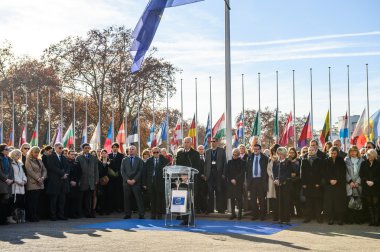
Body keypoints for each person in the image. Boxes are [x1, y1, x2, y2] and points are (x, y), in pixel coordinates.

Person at [175, 137, 202, 225]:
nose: (186, 144)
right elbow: (177, 166)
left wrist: (189, 175)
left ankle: (191, 219)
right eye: (185, 142)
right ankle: (185, 219)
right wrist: (181, 176)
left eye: (187, 142)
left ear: (191, 144)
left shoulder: (195, 153)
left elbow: (197, 167)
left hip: (192, 180)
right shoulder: (179, 153)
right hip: (182, 180)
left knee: (191, 200)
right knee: (184, 200)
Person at [143, 147, 169, 219]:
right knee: (152, 199)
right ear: (152, 153)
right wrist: (144, 183)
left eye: (157, 152)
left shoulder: (164, 160)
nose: (156, 154)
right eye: (154, 152)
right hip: (151, 182)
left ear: (159, 152)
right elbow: (145, 172)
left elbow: (167, 171)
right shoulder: (149, 160)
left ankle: (159, 214)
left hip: (160, 182)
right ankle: (153, 214)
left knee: (159, 199)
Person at [324, 146, 347, 225]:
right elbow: (324, 173)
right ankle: (331, 219)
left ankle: (340, 219)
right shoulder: (326, 161)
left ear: (337, 153)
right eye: (332, 153)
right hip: (329, 185)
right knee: (330, 203)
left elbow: (343, 172)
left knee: (339, 202)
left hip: (339, 185)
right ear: (329, 153)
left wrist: (337, 180)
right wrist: (329, 180)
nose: (333, 155)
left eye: (335, 153)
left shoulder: (341, 161)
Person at [204, 137, 227, 214]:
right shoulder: (207, 151)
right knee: (210, 192)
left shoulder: (221, 151)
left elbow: (225, 163)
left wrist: (224, 173)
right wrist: (205, 174)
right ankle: (210, 209)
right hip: (210, 174)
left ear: (217, 142)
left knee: (219, 191)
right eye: (211, 141)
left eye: (214, 141)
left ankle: (220, 209)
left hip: (218, 174)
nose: (212, 143)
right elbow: (205, 164)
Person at [301, 146, 324, 223]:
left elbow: (321, 173)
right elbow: (302, 173)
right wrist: (303, 183)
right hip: (307, 185)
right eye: (309, 150)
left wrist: (319, 183)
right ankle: (307, 218)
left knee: (317, 203)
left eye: (312, 150)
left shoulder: (319, 161)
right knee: (308, 203)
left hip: (316, 185)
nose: (311, 151)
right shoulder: (304, 160)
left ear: (315, 151)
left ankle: (319, 218)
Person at [121, 145, 144, 219]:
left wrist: (134, 180)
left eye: (132, 149)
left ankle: (141, 214)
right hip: (126, 182)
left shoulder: (139, 160)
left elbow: (140, 171)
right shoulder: (124, 160)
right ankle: (127, 214)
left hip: (136, 182)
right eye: (130, 149)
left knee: (138, 198)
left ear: (136, 151)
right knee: (126, 199)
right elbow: (122, 171)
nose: (131, 150)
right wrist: (127, 180)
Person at [25, 146, 47, 222]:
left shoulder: (39, 160)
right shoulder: (28, 160)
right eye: (35, 152)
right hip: (32, 183)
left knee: (38, 201)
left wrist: (43, 178)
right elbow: (29, 171)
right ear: (31, 152)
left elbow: (44, 170)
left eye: (38, 152)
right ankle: (32, 216)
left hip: (40, 183)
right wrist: (38, 178)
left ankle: (36, 215)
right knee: (32, 201)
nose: (37, 154)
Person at [77, 143, 99, 218]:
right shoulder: (79, 158)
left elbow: (96, 170)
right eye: (85, 148)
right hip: (82, 181)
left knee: (89, 198)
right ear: (82, 149)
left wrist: (96, 179)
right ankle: (79, 213)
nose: (87, 149)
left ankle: (88, 212)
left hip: (91, 181)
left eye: (88, 148)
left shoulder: (93, 158)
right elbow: (77, 170)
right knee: (80, 198)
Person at [247, 144, 269, 221]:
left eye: (257, 149)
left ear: (260, 150)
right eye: (254, 149)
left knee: (262, 199)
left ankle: (262, 215)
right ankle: (255, 215)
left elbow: (267, 171)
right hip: (252, 181)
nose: (255, 150)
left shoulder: (265, 158)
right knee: (253, 199)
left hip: (261, 181)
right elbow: (248, 170)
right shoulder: (250, 158)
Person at [359, 149, 380, 226]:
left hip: (376, 186)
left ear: (374, 155)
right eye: (367, 155)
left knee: (376, 204)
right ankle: (372, 221)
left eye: (370, 155)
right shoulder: (363, 163)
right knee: (369, 205)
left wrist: (373, 181)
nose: (368, 156)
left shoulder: (378, 164)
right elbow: (361, 174)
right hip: (367, 186)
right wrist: (366, 181)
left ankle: (377, 221)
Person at [272, 147, 292, 224]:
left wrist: (280, 179)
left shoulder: (288, 162)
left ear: (284, 154)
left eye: (281, 153)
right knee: (279, 201)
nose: (280, 155)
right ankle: (279, 218)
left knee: (286, 201)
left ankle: (286, 219)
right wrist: (276, 179)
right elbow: (274, 172)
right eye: (278, 153)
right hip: (278, 185)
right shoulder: (276, 162)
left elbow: (287, 173)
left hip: (285, 184)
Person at [345, 146, 364, 224]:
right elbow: (345, 172)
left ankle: (358, 219)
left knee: (358, 201)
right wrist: (350, 182)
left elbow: (363, 173)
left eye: (354, 151)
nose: (353, 153)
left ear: (357, 152)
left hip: (358, 184)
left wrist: (357, 182)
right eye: (351, 151)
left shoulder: (362, 160)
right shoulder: (346, 160)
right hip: (350, 184)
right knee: (350, 201)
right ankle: (350, 219)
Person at [225, 148, 246, 220]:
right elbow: (227, 172)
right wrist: (231, 179)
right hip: (231, 183)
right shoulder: (229, 162)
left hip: (238, 183)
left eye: (236, 154)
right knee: (232, 199)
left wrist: (235, 179)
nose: (235, 156)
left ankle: (239, 214)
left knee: (239, 199)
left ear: (239, 155)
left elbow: (242, 173)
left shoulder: (242, 162)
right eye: (233, 154)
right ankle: (233, 214)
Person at [9, 149, 27, 223]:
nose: (18, 156)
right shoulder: (11, 163)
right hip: (15, 185)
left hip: (21, 185)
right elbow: (13, 175)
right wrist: (19, 182)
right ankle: (14, 217)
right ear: (13, 155)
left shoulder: (20, 164)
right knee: (14, 202)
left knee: (20, 202)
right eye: (17, 155)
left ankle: (20, 217)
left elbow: (23, 174)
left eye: (19, 155)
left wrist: (24, 180)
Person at [107, 143, 124, 213]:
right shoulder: (108, 155)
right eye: (113, 147)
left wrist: (118, 172)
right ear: (111, 148)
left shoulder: (122, 156)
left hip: (119, 177)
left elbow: (123, 166)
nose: (115, 148)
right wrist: (111, 172)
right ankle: (111, 208)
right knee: (110, 193)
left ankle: (118, 207)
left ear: (118, 148)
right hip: (110, 178)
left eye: (116, 147)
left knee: (118, 193)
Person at [0, 144, 14, 225]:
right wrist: (6, 179)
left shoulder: (9, 159)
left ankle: (4, 219)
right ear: (2, 150)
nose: (8, 151)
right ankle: (1, 220)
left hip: (8, 182)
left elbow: (11, 170)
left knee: (6, 202)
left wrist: (11, 179)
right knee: (1, 202)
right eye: (6, 149)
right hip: (2, 182)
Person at [66, 150, 81, 219]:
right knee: (68, 199)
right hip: (68, 183)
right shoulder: (66, 162)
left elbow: (80, 173)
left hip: (76, 184)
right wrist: (70, 181)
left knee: (75, 199)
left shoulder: (77, 163)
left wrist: (76, 181)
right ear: (68, 155)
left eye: (73, 154)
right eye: (71, 154)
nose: (72, 156)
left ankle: (74, 213)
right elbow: (66, 173)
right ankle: (67, 213)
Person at [267, 144, 279, 220]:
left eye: (275, 151)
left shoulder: (281, 159)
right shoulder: (270, 159)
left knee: (279, 198)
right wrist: (272, 176)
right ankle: (275, 215)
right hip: (272, 181)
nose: (274, 152)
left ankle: (279, 214)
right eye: (273, 151)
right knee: (273, 199)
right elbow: (268, 169)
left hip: (279, 180)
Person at [97, 149, 110, 215]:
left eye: (105, 153)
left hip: (109, 181)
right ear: (101, 154)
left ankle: (107, 210)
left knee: (108, 195)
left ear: (107, 154)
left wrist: (108, 165)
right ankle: (101, 210)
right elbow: (99, 171)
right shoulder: (99, 162)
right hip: (101, 181)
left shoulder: (110, 161)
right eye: (103, 153)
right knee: (101, 196)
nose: (104, 154)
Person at [196, 145, 208, 213]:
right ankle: (198, 209)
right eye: (200, 149)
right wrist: (201, 175)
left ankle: (204, 209)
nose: (201, 150)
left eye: (202, 149)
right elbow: (196, 167)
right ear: (198, 150)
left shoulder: (206, 157)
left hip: (206, 180)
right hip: (198, 179)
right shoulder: (196, 158)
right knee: (198, 195)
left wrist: (206, 176)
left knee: (205, 195)